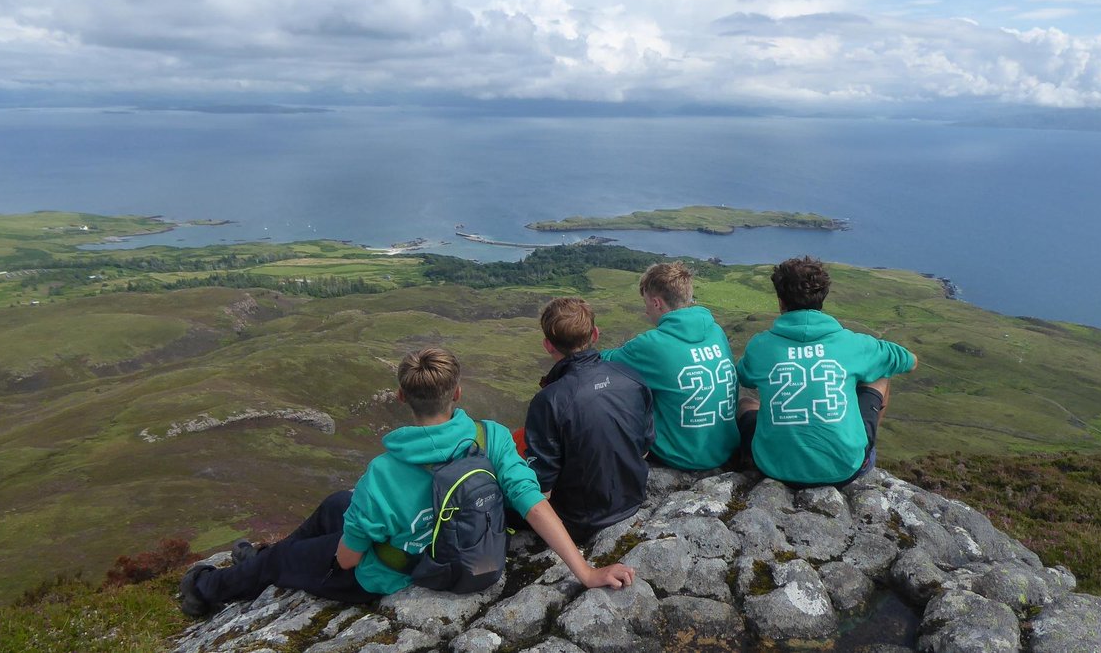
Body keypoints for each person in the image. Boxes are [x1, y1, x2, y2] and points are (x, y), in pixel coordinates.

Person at [178, 347, 634, 617]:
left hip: (395, 574)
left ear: (400, 397)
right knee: (338, 502)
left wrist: (329, 559)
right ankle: (256, 559)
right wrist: (588, 572)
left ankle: (204, 590)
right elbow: (534, 505)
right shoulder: (489, 437)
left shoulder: (383, 473)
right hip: (479, 558)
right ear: (456, 394)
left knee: (282, 557)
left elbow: (349, 555)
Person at [736, 257, 917, 487]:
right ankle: (862, 445)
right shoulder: (854, 344)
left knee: (746, 404)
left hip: (773, 466)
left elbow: (743, 376)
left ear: (781, 302)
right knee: (882, 373)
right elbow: (911, 361)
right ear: (822, 298)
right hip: (843, 469)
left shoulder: (760, 345)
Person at [521, 297, 654, 542]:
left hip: (578, 519)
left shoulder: (549, 400)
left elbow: (542, 487)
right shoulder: (632, 378)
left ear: (548, 345)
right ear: (595, 334)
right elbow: (644, 450)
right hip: (633, 499)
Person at [600, 262, 739, 471]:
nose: (646, 311)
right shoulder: (715, 330)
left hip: (680, 456)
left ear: (657, 303)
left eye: (646, 303)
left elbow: (606, 360)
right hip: (724, 449)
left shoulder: (652, 343)